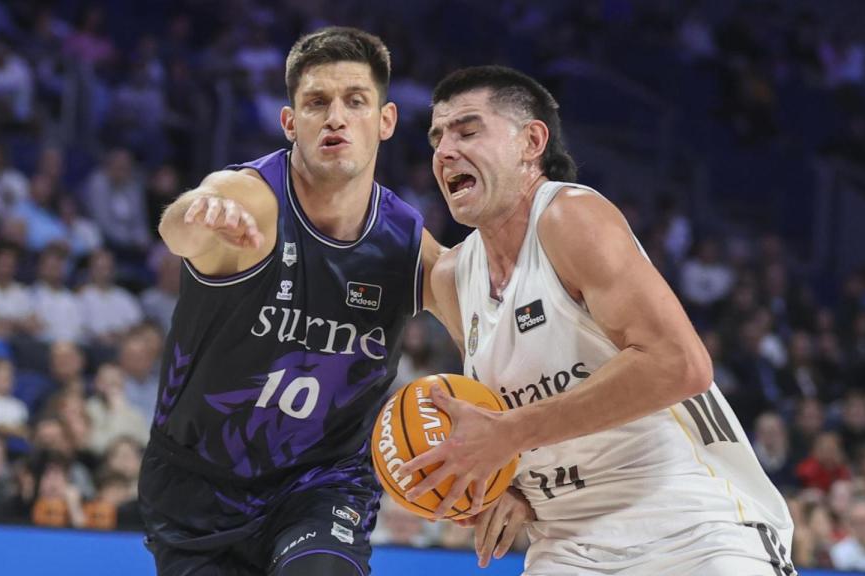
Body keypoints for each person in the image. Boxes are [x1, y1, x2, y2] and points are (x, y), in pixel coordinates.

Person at [403, 65, 796, 574]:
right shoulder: (457, 276)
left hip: (692, 527)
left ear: (531, 141)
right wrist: (511, 482)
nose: (445, 151)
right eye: (437, 137)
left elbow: (679, 365)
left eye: (467, 130)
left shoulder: (570, 218)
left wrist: (508, 435)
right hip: (568, 544)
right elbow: (510, 410)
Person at [138, 27, 440, 576]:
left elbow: (487, 325)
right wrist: (201, 212)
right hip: (198, 482)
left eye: (355, 101)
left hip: (321, 482)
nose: (335, 117)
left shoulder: (407, 242)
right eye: (316, 103)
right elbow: (178, 228)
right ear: (289, 122)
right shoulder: (253, 197)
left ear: (387, 120)